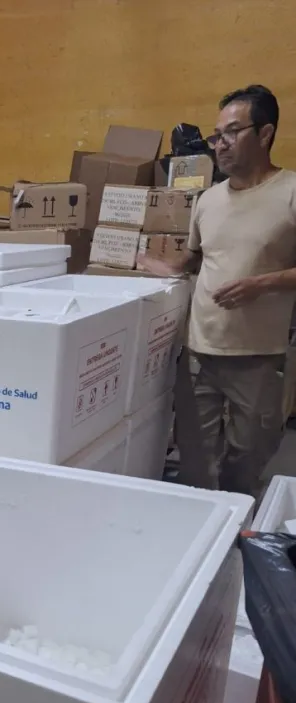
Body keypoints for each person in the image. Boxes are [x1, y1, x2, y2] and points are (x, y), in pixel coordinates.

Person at [140, 85, 296, 498]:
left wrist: (262, 283)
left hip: (258, 357)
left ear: (265, 134)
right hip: (199, 353)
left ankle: (237, 520)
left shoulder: (290, 192)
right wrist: (159, 267)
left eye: (231, 132)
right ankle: (201, 525)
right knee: (194, 458)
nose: (219, 144)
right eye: (216, 135)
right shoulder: (208, 200)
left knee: (248, 458)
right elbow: (196, 258)